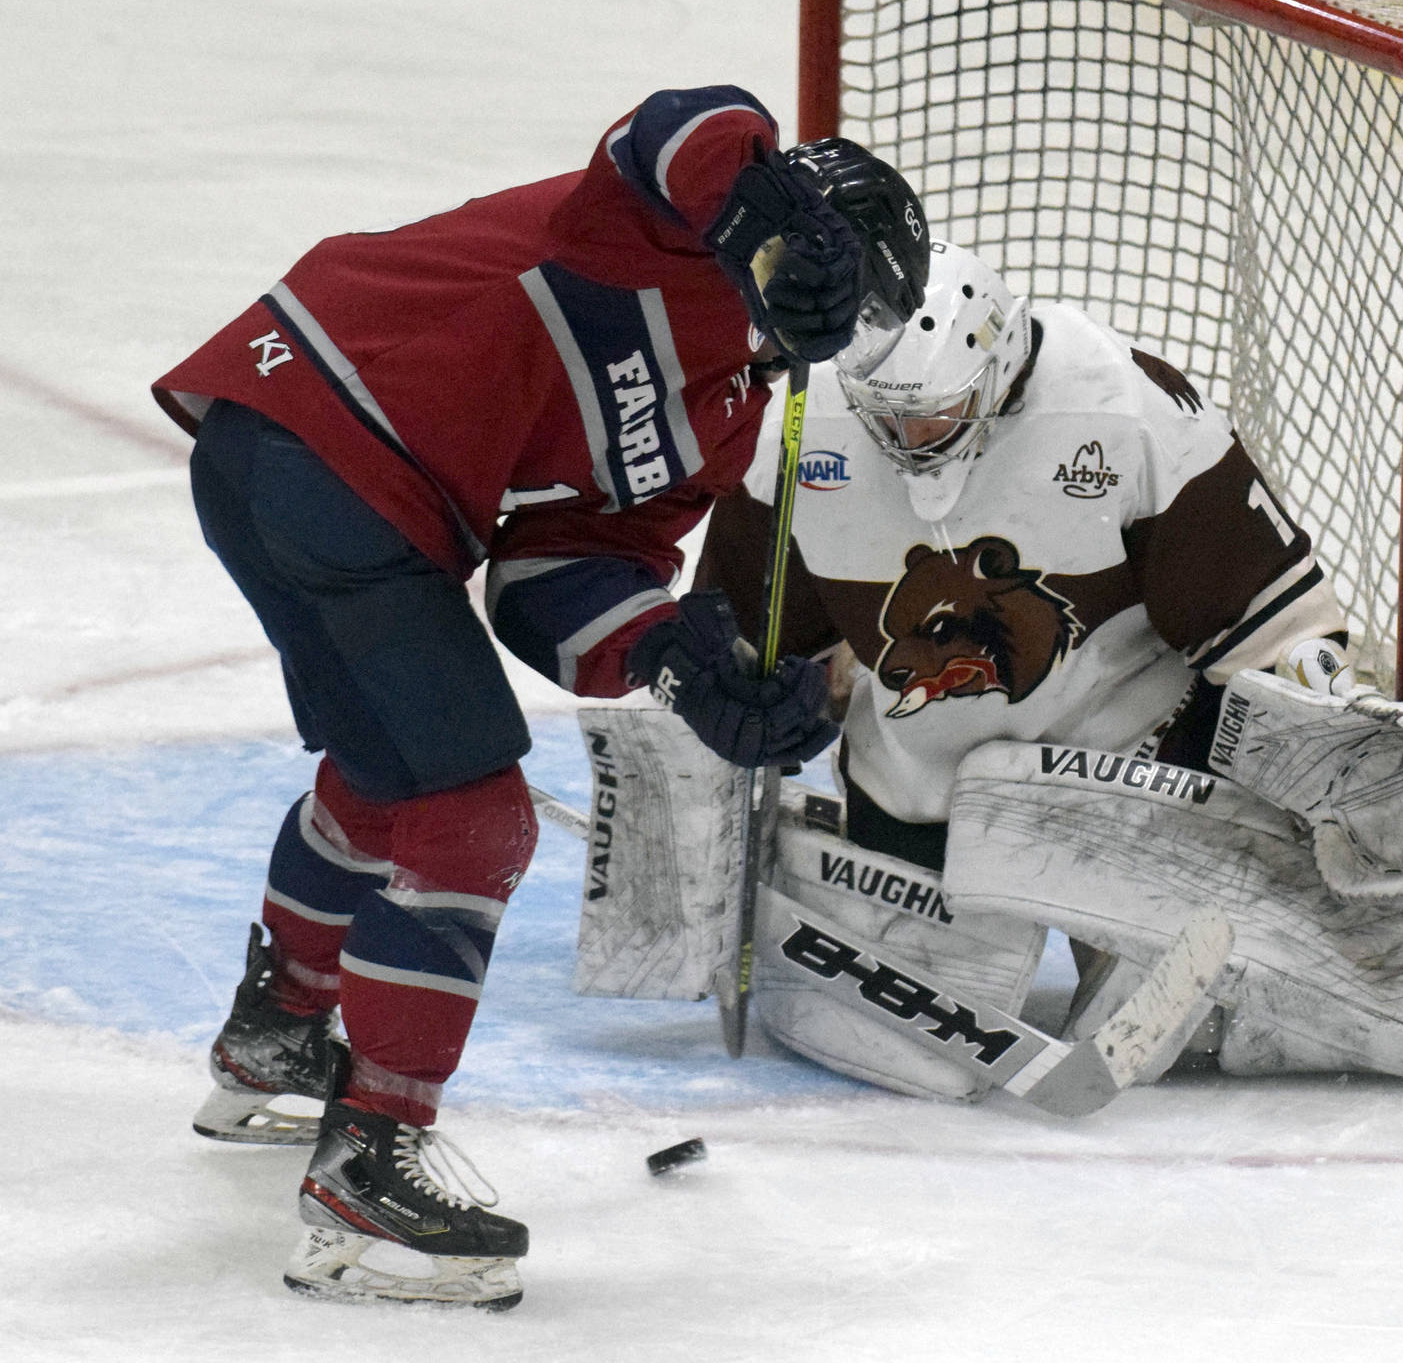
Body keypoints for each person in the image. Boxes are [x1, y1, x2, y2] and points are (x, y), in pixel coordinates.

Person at [150, 87, 929, 1310]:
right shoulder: (659, 231)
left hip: (305, 467)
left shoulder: (724, 413)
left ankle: (276, 1035)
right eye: (834, 287)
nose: (827, 326)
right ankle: (369, 1174)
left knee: (391, 779)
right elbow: (678, 128)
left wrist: (685, 665)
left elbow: (555, 579)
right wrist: (777, 219)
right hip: (320, 442)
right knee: (473, 819)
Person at [693, 242, 1403, 1103]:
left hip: (1128, 781)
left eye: (934, 408)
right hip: (917, 802)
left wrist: (1334, 714)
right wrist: (751, 704)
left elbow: (1266, 614)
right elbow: (746, 647)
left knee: (1235, 1011)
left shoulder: (1121, 403)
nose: (914, 437)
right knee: (908, 1044)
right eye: (890, 415)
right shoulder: (798, 438)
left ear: (994, 367)